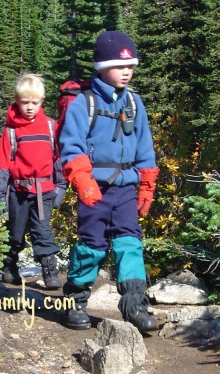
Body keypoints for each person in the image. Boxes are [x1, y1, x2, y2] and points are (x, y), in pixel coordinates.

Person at [59, 31, 160, 332]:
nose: (126, 71)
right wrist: (83, 181)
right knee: (92, 246)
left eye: (130, 66)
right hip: (95, 188)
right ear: (101, 66)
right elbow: (71, 145)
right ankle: (75, 301)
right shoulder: (83, 103)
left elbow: (145, 147)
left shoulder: (134, 103)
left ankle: (135, 306)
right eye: (119, 65)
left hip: (126, 188)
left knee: (130, 243)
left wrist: (147, 184)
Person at [0, 73, 66, 290]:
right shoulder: (11, 132)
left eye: (34, 102)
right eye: (25, 102)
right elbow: (4, 165)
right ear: (16, 100)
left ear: (42, 101)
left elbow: (59, 158)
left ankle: (50, 271)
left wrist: (61, 186)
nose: (30, 107)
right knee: (14, 232)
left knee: (43, 230)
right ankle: (9, 268)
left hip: (44, 190)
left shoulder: (52, 127)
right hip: (18, 191)